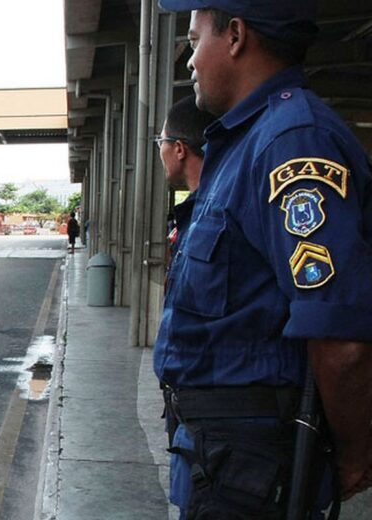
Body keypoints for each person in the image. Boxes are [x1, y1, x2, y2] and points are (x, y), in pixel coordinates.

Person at [156, 1, 372, 518]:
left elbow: (341, 338)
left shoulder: (293, 145)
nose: (188, 59)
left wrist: (355, 454)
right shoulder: (244, 144)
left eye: (193, 39)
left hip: (251, 464)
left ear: (235, 35)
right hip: (218, 453)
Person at [156, 95, 216, 259]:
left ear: (179, 149)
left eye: (161, 141)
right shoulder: (199, 211)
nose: (160, 150)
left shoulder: (215, 213)